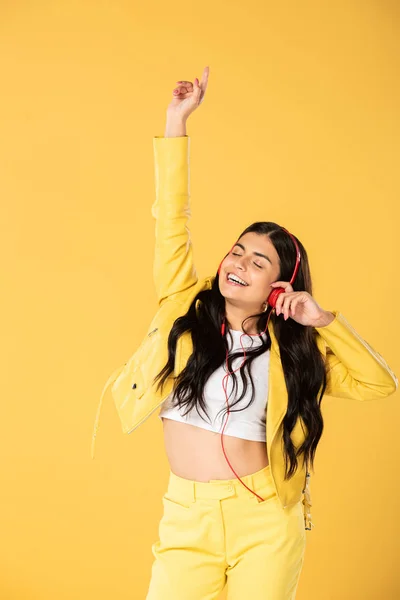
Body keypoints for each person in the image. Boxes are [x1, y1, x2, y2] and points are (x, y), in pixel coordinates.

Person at [91, 65, 398, 599]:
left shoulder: (295, 353)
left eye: (259, 262)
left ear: (280, 285)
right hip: (186, 514)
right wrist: (175, 120)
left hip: (264, 516)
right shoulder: (182, 304)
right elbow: (171, 218)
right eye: (237, 250)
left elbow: (378, 383)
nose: (238, 263)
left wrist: (323, 322)